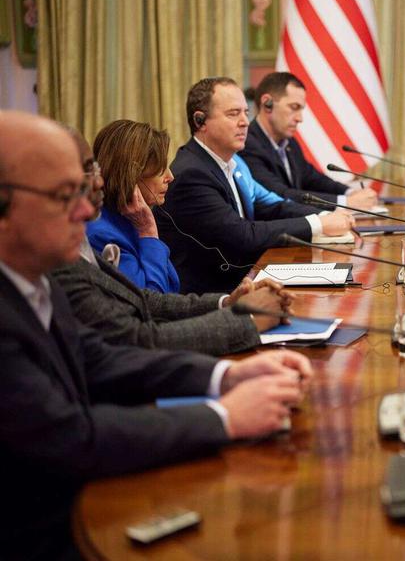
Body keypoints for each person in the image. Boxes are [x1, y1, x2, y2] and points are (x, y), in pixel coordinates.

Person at [0, 110, 312, 558]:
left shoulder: (37, 279)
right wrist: (225, 417)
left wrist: (224, 377)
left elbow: (103, 358)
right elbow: (70, 437)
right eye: (65, 194)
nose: (88, 209)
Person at [53, 129, 291, 356]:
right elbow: (143, 321)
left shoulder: (125, 222)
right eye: (87, 173)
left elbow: (147, 301)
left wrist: (227, 302)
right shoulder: (99, 234)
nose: (171, 176)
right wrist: (245, 319)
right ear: (132, 176)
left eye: (94, 169)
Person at [157, 76, 355, 293]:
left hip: (243, 281)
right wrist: (318, 224)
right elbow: (242, 235)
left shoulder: (230, 164)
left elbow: (271, 207)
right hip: (211, 298)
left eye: (246, 113)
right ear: (200, 121)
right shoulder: (191, 174)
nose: (244, 122)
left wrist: (327, 217)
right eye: (233, 114)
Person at [240, 71, 378, 210]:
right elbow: (280, 195)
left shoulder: (290, 143)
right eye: (294, 107)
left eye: (301, 109)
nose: (300, 118)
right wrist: (346, 202)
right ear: (267, 103)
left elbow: (313, 178)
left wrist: (350, 192)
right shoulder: (247, 144)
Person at [86, 119, 180, 293]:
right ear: (132, 175)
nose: (170, 176)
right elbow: (151, 304)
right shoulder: (102, 236)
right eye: (161, 169)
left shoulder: (132, 218)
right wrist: (148, 233)